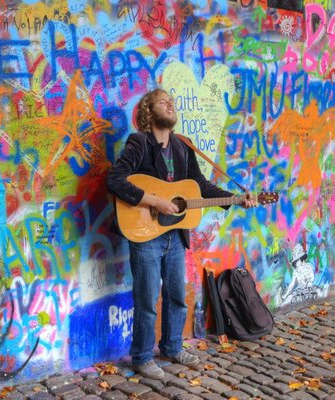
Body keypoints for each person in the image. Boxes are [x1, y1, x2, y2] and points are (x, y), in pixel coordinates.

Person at [107, 88, 257, 379]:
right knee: (147, 299)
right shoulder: (139, 143)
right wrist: (155, 201)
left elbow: (198, 186)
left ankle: (173, 347)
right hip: (146, 233)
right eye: (164, 102)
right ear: (149, 111)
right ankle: (141, 357)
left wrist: (234, 198)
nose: (171, 106)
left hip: (174, 235)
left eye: (173, 102)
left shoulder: (183, 146)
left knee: (177, 296)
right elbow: (115, 179)